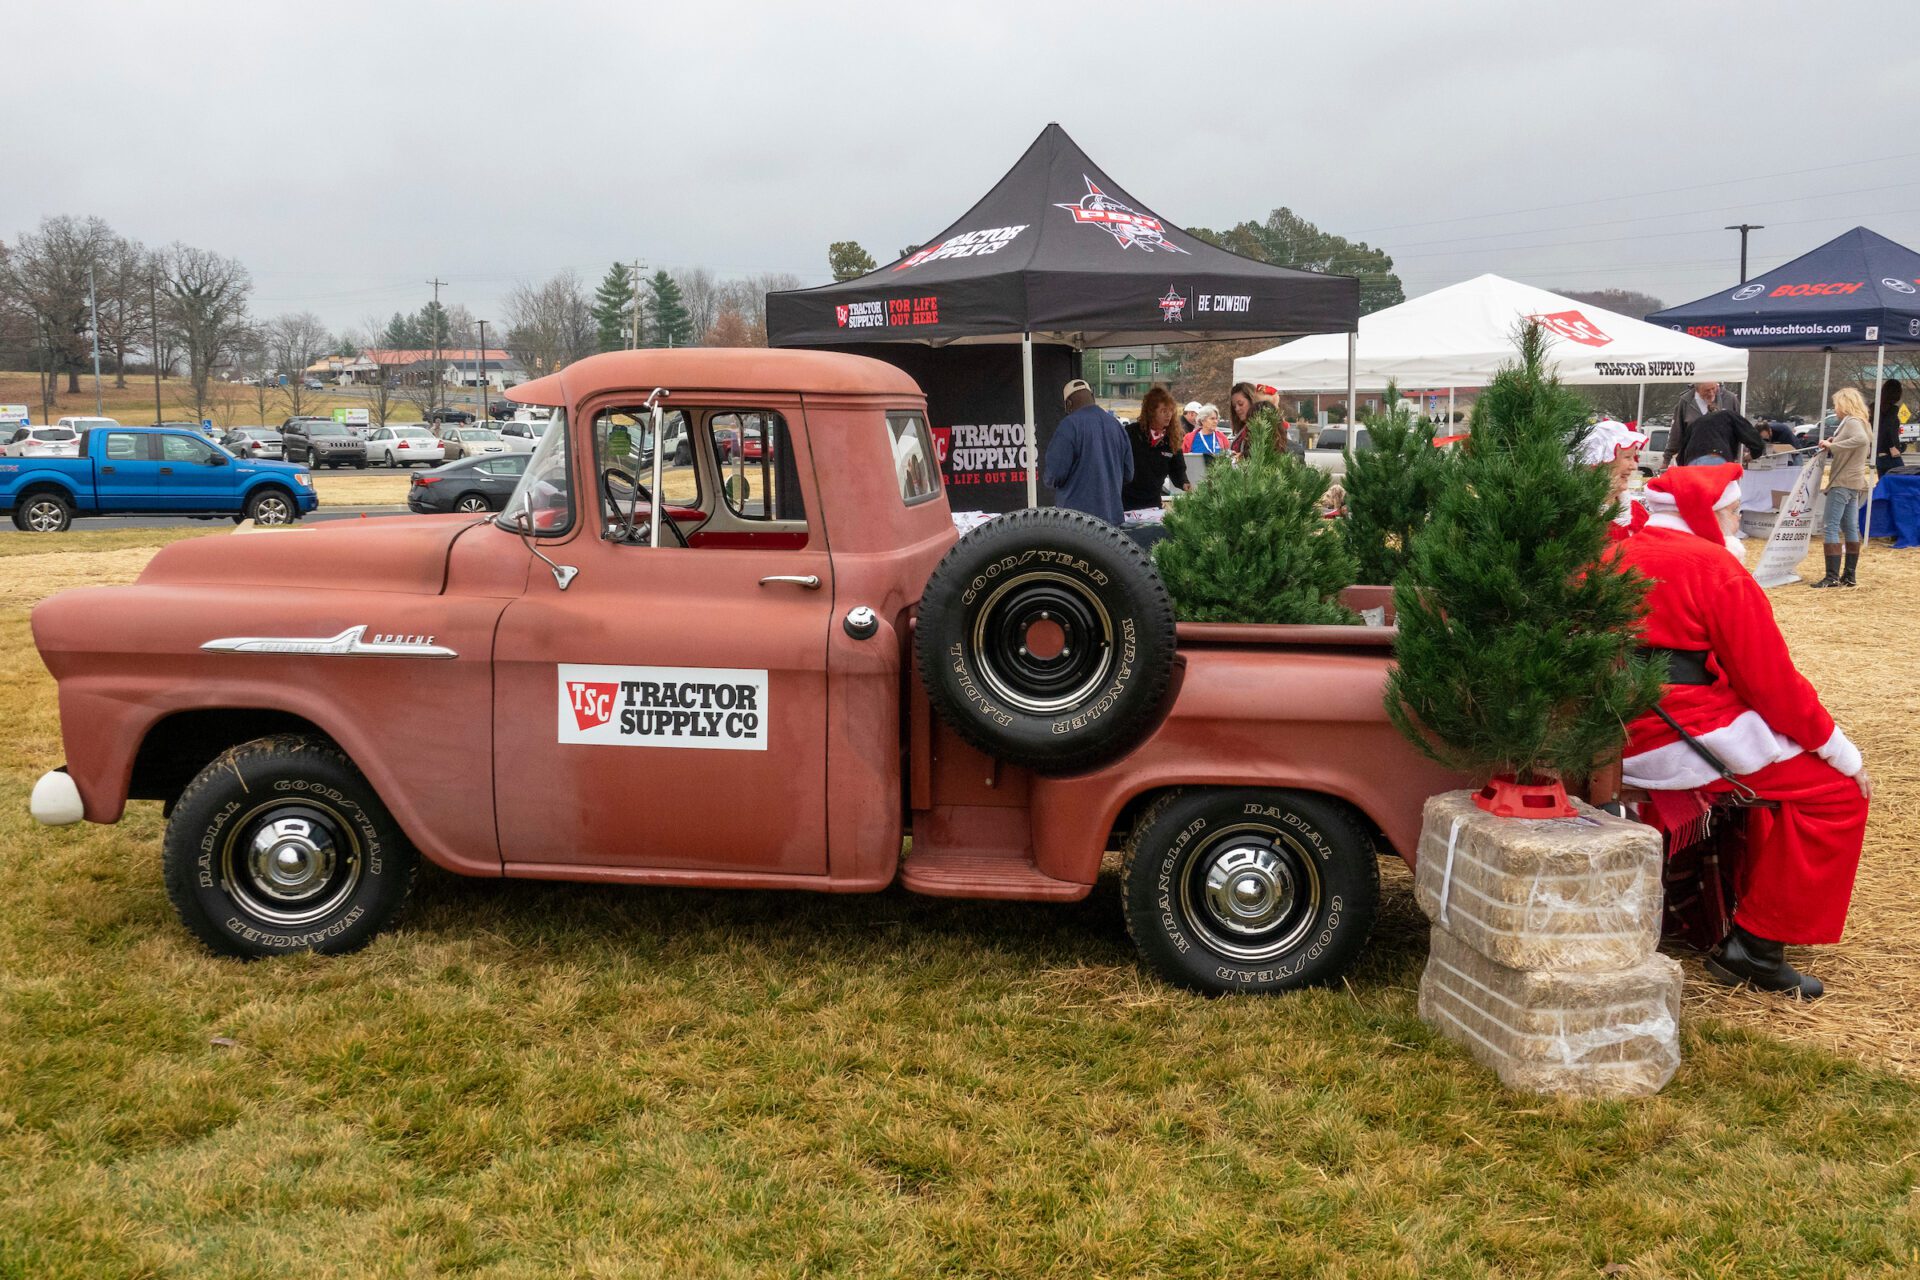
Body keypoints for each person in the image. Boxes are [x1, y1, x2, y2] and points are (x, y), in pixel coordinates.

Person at [1616, 463, 1871, 998]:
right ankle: (1755, 948)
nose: (1738, 523)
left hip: (1615, 724)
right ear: (1705, 514)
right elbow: (1772, 684)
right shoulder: (1713, 567)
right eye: (1733, 512)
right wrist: (1840, 750)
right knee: (1837, 792)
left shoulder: (1614, 552)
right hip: (1668, 731)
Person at [1043, 378, 1131, 525]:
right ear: (1093, 397)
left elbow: (1054, 475)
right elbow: (1128, 474)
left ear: (1068, 404)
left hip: (1076, 524)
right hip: (1112, 521)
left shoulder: (1069, 426)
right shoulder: (1117, 426)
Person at [1810, 387, 1873, 589]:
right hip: (1854, 481)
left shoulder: (1852, 421)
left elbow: (1860, 440)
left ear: (1844, 404)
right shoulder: (1861, 421)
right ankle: (1849, 575)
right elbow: (1859, 441)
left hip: (1843, 481)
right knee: (1850, 527)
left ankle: (1831, 577)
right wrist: (1834, 441)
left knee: (1831, 526)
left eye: (1836, 404)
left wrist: (1832, 446)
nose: (1835, 408)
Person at [1576, 418, 1649, 540]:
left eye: (1634, 458)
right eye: (1627, 457)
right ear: (1600, 462)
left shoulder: (1636, 512)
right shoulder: (1579, 514)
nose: (1634, 466)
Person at [1121, 387, 1193, 510]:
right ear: (1151, 412)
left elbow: (1177, 468)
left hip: (1153, 503)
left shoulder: (1173, 438)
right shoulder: (1131, 433)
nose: (1168, 415)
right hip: (1126, 501)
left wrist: (1184, 483)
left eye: (1171, 410)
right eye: (1163, 411)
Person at [1665, 381, 1739, 467]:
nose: (1711, 393)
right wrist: (1666, 459)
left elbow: (1740, 429)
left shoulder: (1730, 399)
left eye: (1713, 388)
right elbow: (1676, 433)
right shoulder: (1685, 402)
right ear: (1696, 389)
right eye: (1707, 390)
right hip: (1693, 460)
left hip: (1723, 459)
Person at [1672, 408, 1765, 467]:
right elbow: (1752, 437)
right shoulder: (1729, 415)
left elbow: (1682, 451)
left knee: (1696, 497)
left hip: (1691, 461)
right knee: (1719, 497)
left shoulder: (1696, 422)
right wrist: (1754, 454)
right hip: (1715, 457)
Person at [1228, 382, 1286, 459]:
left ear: (1252, 401)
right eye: (1234, 406)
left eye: (1241, 404)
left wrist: (1243, 456)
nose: (1237, 409)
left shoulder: (1267, 428)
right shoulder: (1243, 429)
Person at [1874, 378, 1907, 478]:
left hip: (1879, 453)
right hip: (1891, 455)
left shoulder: (1875, 407)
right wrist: (1892, 447)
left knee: (1884, 484)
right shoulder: (1892, 409)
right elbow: (1887, 428)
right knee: (1904, 480)